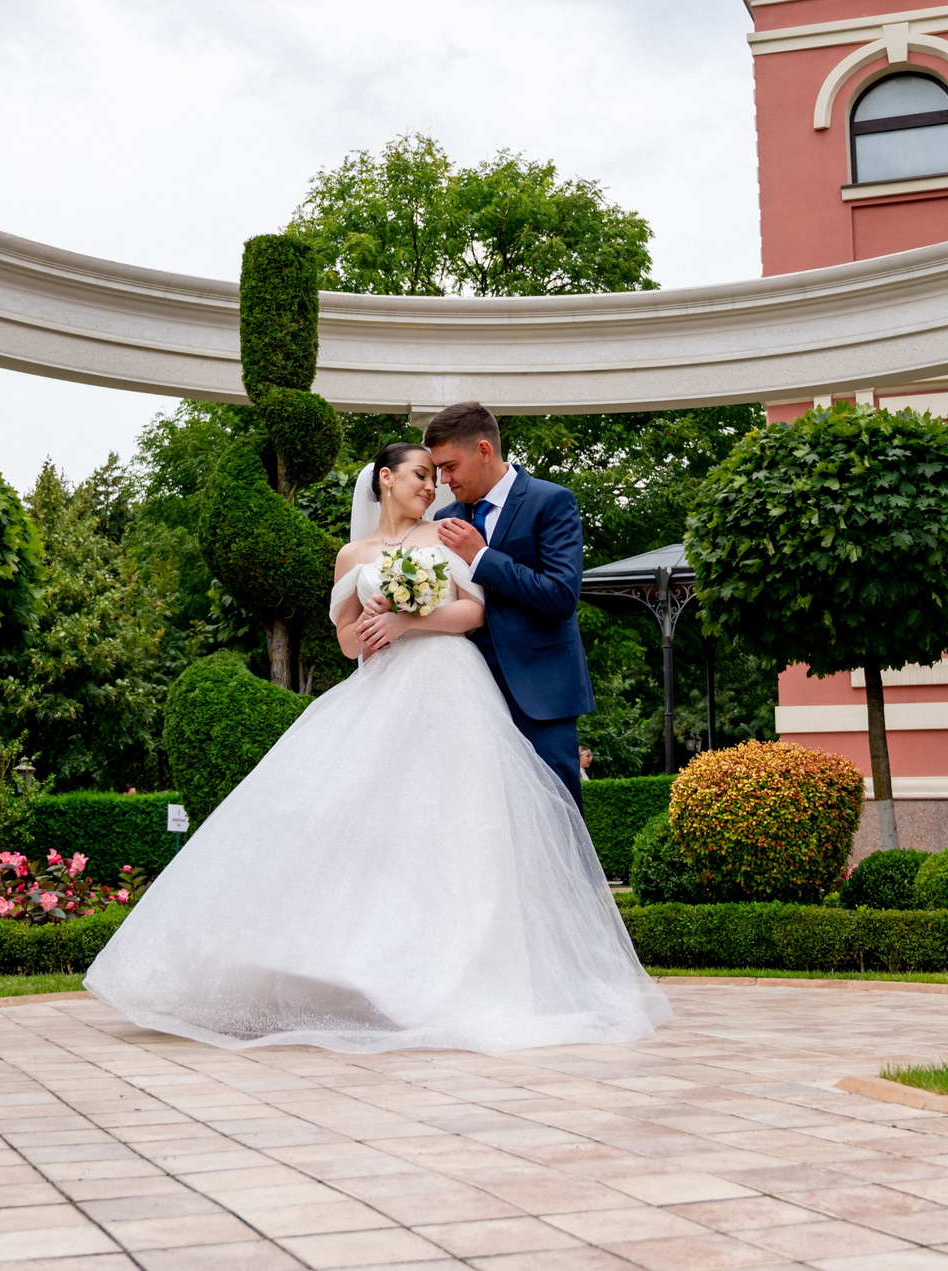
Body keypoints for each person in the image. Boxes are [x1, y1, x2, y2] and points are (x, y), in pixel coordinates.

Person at [82, 439, 667, 1053]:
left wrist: (410, 620)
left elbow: (473, 612)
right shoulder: (351, 554)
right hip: (381, 689)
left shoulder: (447, 534)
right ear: (385, 480)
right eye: (420, 475)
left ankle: (459, 978)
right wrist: (365, 631)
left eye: (436, 476)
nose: (431, 486)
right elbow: (342, 638)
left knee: (460, 827)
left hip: (451, 687)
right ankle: (362, 971)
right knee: (358, 825)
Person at [424, 402, 597, 807]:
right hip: (469, 694)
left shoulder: (551, 501)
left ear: (484, 451)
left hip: (542, 693)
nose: (444, 480)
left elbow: (560, 595)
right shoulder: (445, 518)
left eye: (450, 467)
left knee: (556, 816)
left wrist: (482, 557)